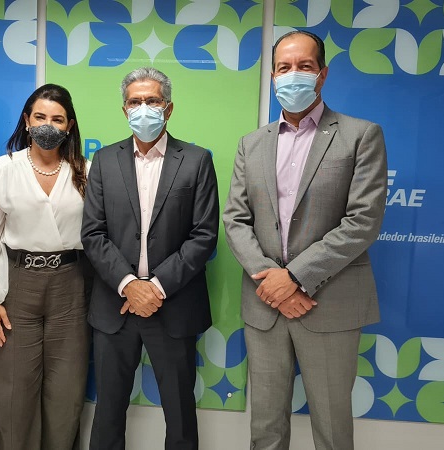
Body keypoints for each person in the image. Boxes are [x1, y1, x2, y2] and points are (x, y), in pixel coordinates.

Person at [222, 30, 388, 450]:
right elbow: (235, 220)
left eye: (304, 66)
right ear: (273, 76)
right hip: (265, 305)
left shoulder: (360, 135)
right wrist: (272, 283)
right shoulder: (251, 144)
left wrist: (294, 277)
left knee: (332, 429)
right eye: (284, 67)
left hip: (329, 303)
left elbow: (363, 221)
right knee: (266, 427)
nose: (292, 74)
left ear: (322, 74)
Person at [81, 67, 219, 450]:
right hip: (116, 307)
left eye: (152, 100)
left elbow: (204, 235)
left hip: (173, 305)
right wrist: (130, 286)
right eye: (135, 101)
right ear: (124, 109)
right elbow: (93, 234)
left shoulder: (196, 160)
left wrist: (155, 288)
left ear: (168, 108)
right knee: (108, 415)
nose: (143, 108)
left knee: (180, 414)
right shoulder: (104, 161)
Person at [0, 84, 91, 450]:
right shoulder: (2, 170)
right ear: (26, 120)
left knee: (66, 394)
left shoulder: (86, 172)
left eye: (57, 119)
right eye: (40, 117)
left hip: (70, 286)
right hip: (16, 285)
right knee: (13, 393)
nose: (47, 126)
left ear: (69, 126)